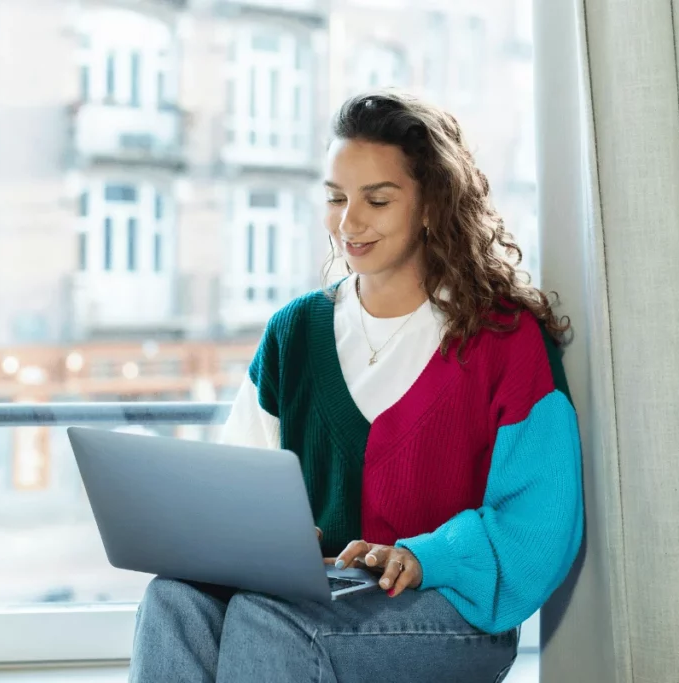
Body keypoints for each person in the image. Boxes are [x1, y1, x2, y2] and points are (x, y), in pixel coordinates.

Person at [129, 90, 583, 683]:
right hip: (313, 592)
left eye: (377, 199)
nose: (349, 223)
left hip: (453, 610)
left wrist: (424, 556)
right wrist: (269, 538)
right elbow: (236, 488)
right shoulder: (293, 332)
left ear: (430, 206)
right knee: (174, 602)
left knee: (268, 621)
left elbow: (540, 520)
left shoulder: (502, 336)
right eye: (336, 198)